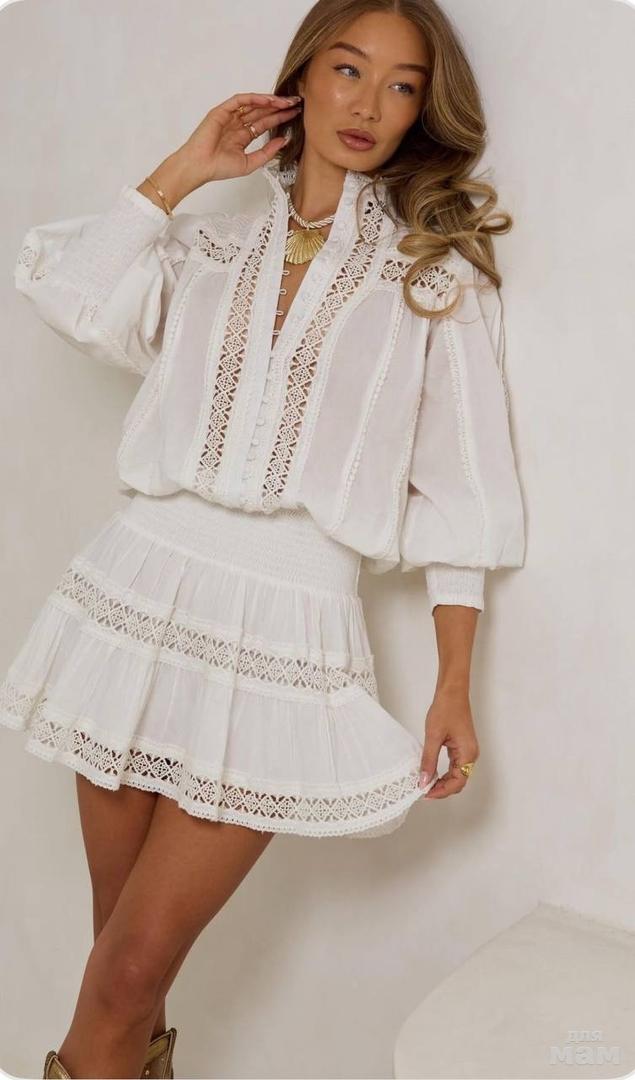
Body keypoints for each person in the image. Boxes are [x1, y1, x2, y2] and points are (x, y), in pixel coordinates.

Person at [1, 0, 526, 1076]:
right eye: (347, 69)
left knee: (126, 974)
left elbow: (463, 495)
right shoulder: (208, 247)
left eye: (400, 85)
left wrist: (451, 682)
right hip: (137, 597)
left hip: (283, 624)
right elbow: (71, 296)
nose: (367, 103)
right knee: (118, 968)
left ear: (421, 111)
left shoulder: (433, 278)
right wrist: (182, 170)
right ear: (300, 80)